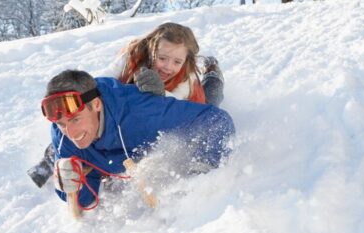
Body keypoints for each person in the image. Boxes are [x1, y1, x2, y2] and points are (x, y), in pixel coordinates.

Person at [27, 23, 224, 188]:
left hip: (172, 107)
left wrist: (159, 94)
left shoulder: (186, 81)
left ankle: (213, 73)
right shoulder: (133, 56)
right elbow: (98, 85)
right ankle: (49, 160)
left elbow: (175, 115)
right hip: (123, 109)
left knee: (212, 100)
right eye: (162, 58)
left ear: (185, 61)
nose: (167, 66)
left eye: (176, 61)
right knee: (78, 119)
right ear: (151, 50)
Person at [41, 70, 235, 209]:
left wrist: (203, 171)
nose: (71, 132)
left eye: (75, 119)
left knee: (204, 99)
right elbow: (84, 200)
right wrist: (69, 187)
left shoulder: (142, 114)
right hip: (121, 149)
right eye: (61, 123)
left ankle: (212, 76)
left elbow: (216, 120)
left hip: (162, 103)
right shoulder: (61, 135)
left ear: (97, 105)